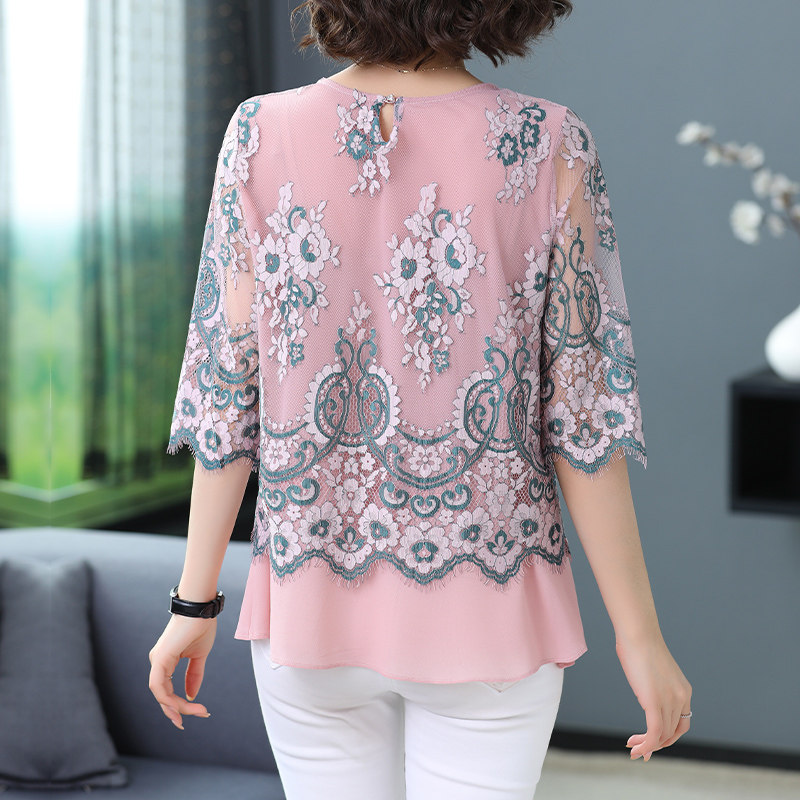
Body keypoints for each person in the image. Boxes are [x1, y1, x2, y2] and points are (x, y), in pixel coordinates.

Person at [148, 1, 692, 797]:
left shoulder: (258, 133)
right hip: (493, 615)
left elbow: (228, 394)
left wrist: (193, 605)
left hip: (309, 611)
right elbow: (584, 421)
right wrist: (640, 637)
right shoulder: (549, 141)